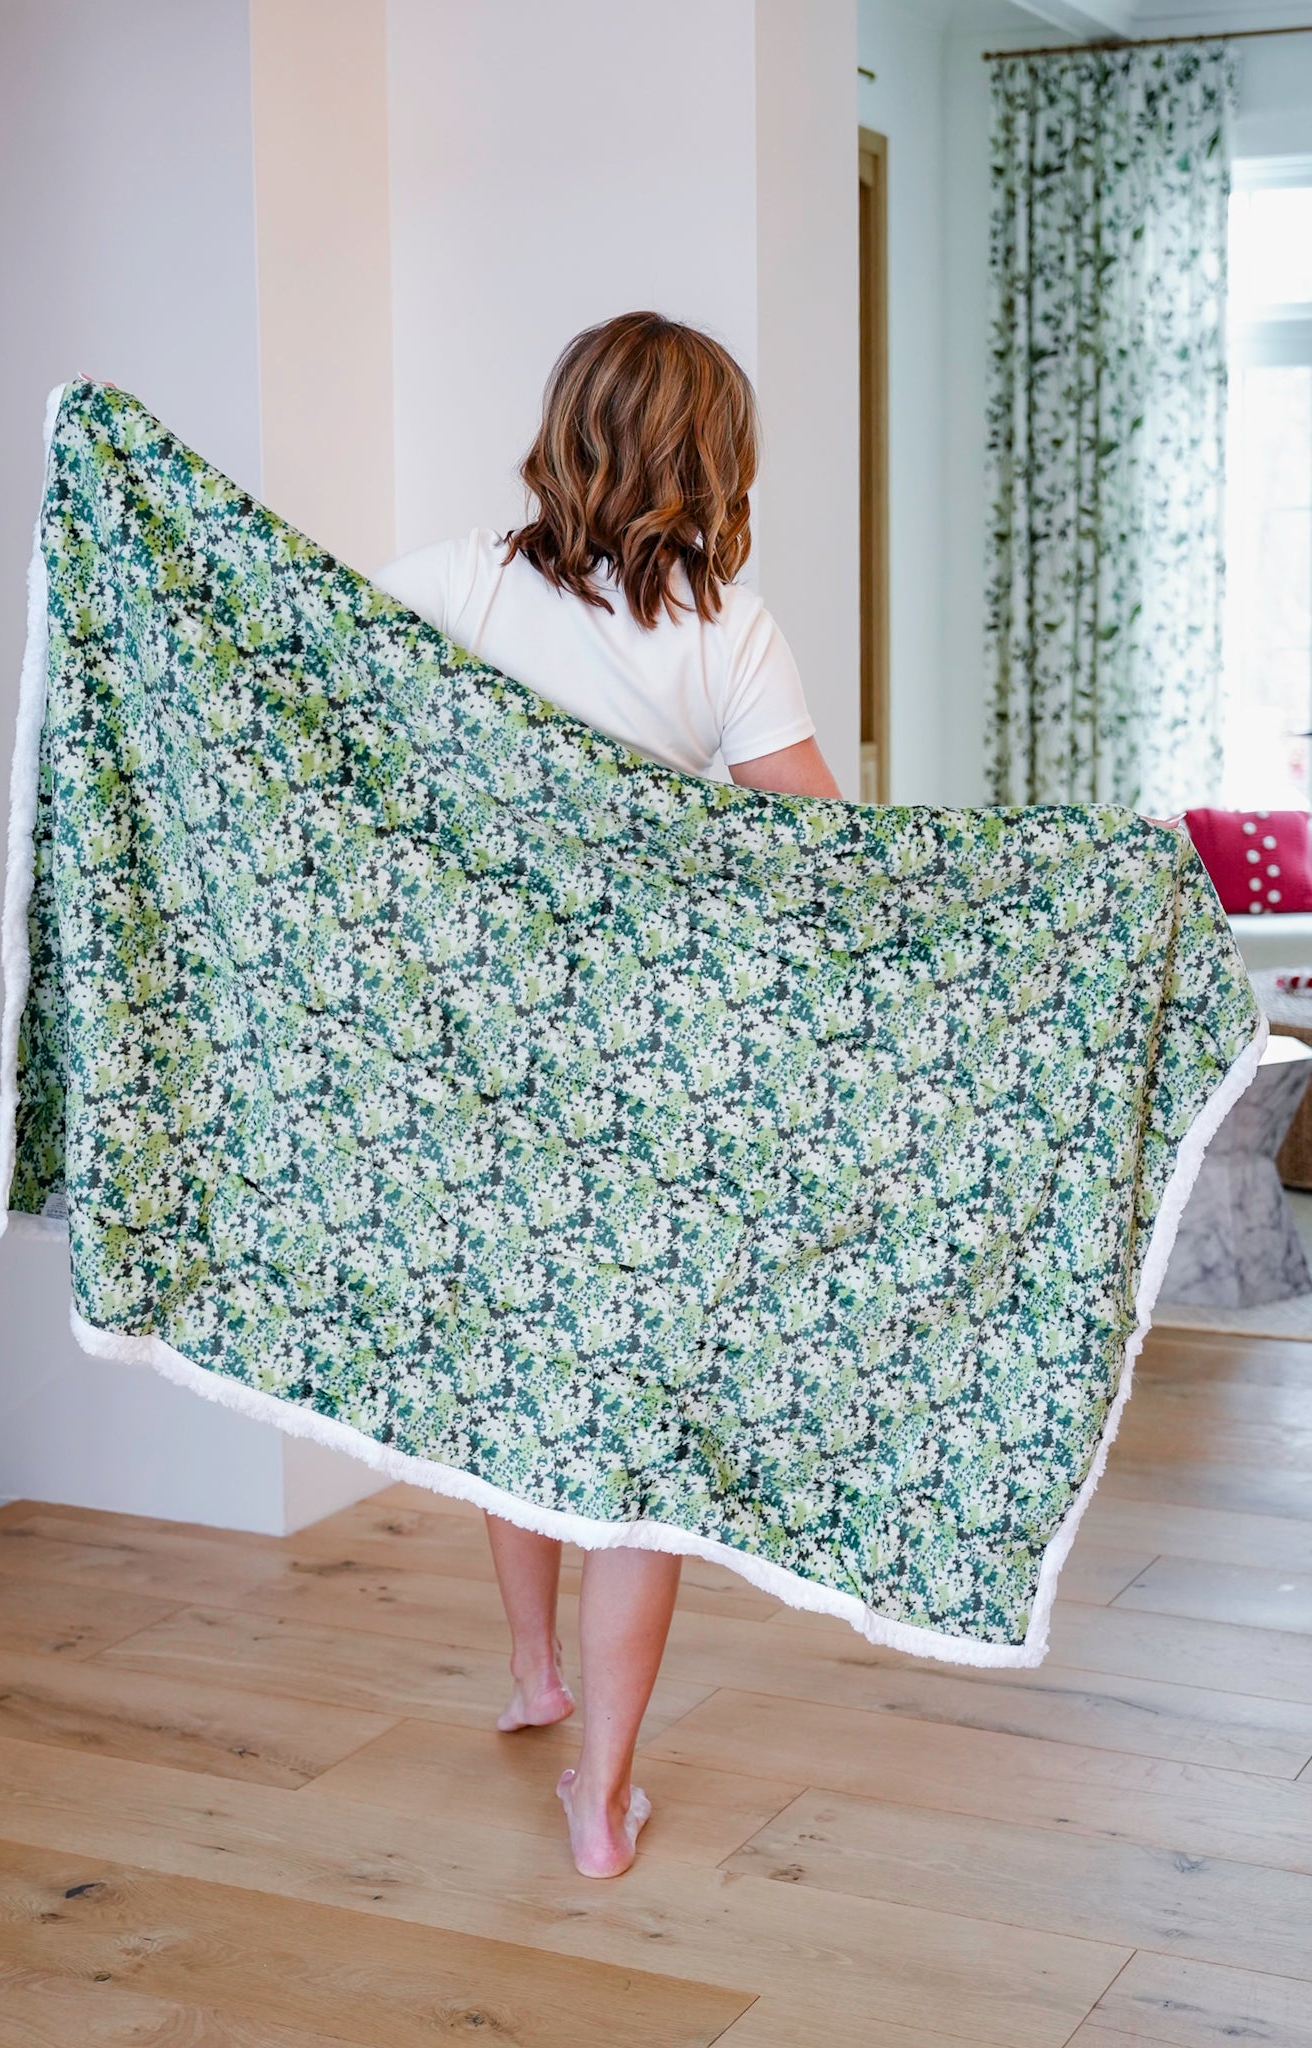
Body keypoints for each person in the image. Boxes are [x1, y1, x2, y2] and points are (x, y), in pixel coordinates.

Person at [373, 310, 840, 1879]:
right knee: (638, 1429)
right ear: (714, 457)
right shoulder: (727, 632)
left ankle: (530, 1670)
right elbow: (826, 857)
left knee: (511, 1380)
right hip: (648, 1085)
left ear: (565, 429)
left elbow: (316, 708)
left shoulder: (454, 585)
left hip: (482, 1063)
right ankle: (599, 1796)